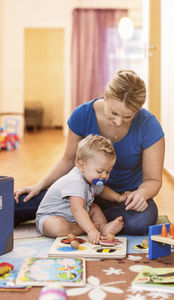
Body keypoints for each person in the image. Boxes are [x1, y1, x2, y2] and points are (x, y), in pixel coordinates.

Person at [15, 69, 165, 235]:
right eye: (114, 113)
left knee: (142, 220)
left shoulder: (149, 126)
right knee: (15, 204)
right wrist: (40, 185)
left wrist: (141, 194)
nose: (118, 121)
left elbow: (153, 179)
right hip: (81, 191)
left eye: (128, 117)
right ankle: (90, 219)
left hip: (122, 199)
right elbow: (68, 160)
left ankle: (80, 218)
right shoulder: (82, 114)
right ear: (105, 96)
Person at [36, 134, 125, 244]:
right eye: (99, 171)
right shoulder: (75, 181)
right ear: (81, 166)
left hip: (74, 217)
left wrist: (118, 197)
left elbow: (102, 190)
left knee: (94, 208)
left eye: (108, 172)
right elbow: (77, 209)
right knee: (58, 226)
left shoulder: (93, 178)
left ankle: (103, 228)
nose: (104, 176)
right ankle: (84, 229)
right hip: (50, 217)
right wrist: (90, 229)